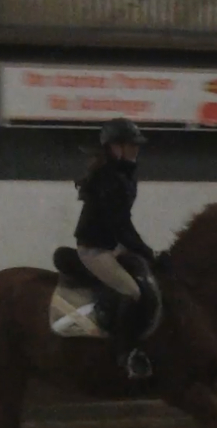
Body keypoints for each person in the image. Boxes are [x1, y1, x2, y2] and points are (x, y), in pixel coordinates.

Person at [73, 117, 158, 380]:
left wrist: (145, 253)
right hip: (95, 249)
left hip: (111, 245)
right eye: (130, 144)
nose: (136, 149)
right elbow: (121, 225)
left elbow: (122, 225)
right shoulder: (108, 178)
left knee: (148, 277)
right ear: (113, 147)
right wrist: (148, 252)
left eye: (136, 144)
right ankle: (126, 354)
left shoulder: (123, 174)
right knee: (131, 291)